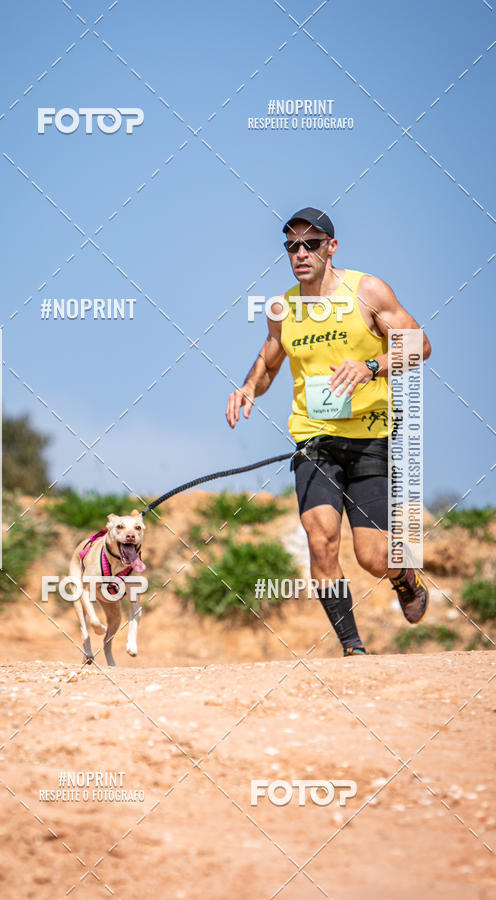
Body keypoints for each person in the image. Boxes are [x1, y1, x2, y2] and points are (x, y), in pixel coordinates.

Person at [226, 207, 431, 656]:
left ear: (331, 247)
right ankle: (352, 648)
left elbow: (420, 344)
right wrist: (248, 387)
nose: (300, 253)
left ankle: (403, 577)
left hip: (371, 438)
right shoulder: (284, 308)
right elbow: (270, 358)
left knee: (373, 557)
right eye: (291, 245)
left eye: (311, 243)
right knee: (321, 542)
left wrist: (372, 366)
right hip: (314, 442)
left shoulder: (368, 291)